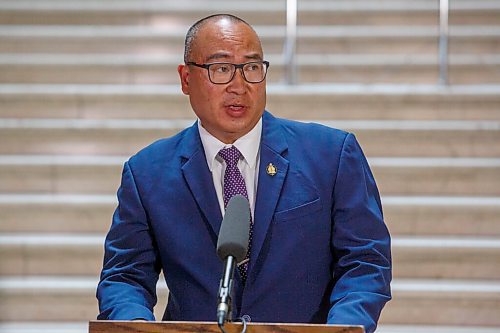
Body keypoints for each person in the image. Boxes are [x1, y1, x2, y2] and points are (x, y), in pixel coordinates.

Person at [97, 14, 391, 333]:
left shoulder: (331, 155)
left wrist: (344, 327)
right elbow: (124, 277)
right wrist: (136, 325)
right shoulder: (147, 173)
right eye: (221, 69)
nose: (239, 86)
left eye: (251, 68)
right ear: (186, 79)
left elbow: (365, 261)